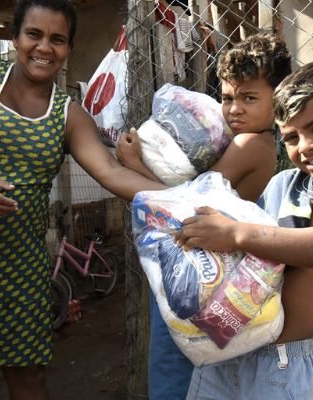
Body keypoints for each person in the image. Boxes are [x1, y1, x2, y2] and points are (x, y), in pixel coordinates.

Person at [0, 0, 165, 398]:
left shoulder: (69, 114)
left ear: (68, 48)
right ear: (15, 37)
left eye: (58, 39)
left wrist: (188, 196)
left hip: (18, 264)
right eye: (34, 34)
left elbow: (112, 172)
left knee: (27, 376)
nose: (44, 47)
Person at [177, 60, 313, 399]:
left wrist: (236, 233)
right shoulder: (288, 185)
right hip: (224, 353)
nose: (305, 145)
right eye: (291, 136)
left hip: (282, 363)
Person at [117, 33, 291, 400]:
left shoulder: (249, 144)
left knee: (174, 368)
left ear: (277, 103)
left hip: (199, 272)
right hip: (208, 267)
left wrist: (134, 164)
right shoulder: (255, 141)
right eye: (227, 98)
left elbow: (186, 203)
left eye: (249, 98)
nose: (234, 110)